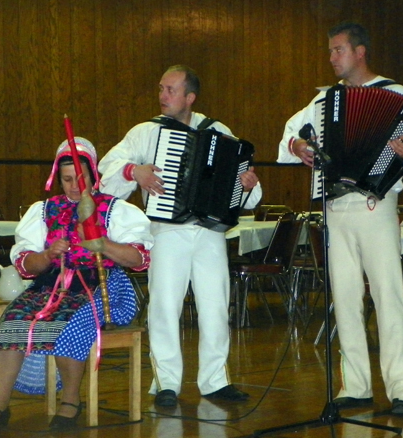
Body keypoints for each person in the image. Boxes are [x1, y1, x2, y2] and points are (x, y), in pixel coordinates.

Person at [278, 22, 403, 415]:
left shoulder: (397, 95)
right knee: (346, 299)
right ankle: (356, 385)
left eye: (338, 50)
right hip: (334, 207)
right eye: (331, 51)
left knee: (387, 296)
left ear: (360, 52)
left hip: (375, 204)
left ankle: (402, 390)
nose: (332, 57)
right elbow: (289, 134)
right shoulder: (323, 102)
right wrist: (299, 144)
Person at [98, 65, 262, 407]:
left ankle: (215, 380)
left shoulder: (217, 130)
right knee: (163, 306)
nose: (162, 96)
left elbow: (242, 185)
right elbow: (108, 170)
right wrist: (134, 171)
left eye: (170, 90)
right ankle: (166, 383)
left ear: (190, 97)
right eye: (160, 89)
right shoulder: (146, 131)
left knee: (216, 305)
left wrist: (246, 186)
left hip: (209, 231)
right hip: (167, 230)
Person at [0, 137, 153, 433]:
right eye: (67, 180)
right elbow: (27, 266)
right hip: (50, 287)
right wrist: (46, 255)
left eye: (80, 179)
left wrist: (102, 243)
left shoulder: (115, 210)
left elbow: (139, 258)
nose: (73, 187)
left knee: (69, 324)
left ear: (94, 177)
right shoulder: (44, 211)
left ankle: (70, 402)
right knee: (12, 320)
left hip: (104, 288)